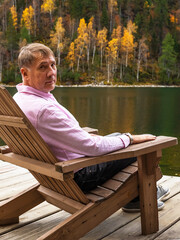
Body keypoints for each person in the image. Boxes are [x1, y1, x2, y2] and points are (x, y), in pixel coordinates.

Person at [13, 43, 169, 212]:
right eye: (42, 67)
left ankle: (136, 197)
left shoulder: (20, 99)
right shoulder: (43, 110)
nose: (51, 72)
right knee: (143, 147)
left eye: (53, 64)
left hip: (57, 172)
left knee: (117, 135)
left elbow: (83, 142)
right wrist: (130, 138)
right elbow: (92, 147)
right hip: (78, 175)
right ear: (25, 73)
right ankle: (143, 195)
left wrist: (120, 138)